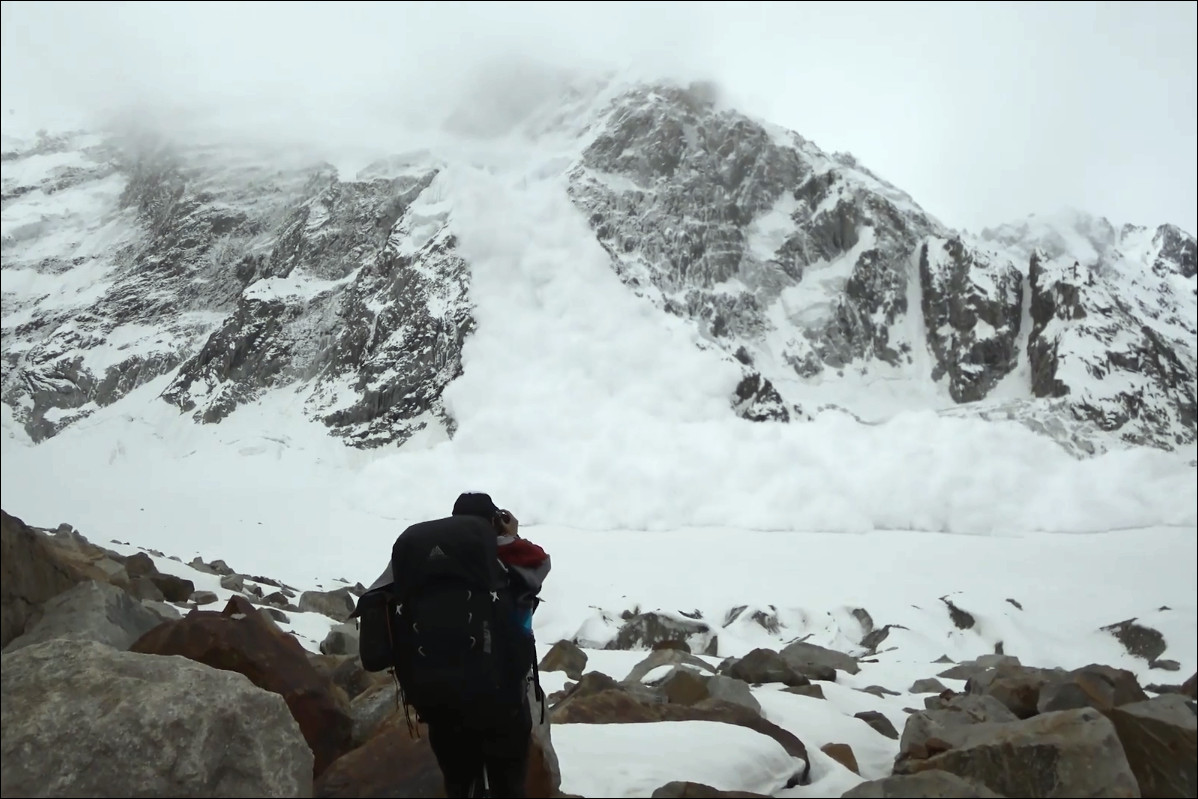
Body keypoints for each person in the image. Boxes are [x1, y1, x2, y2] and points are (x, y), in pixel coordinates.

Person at [420, 492, 551, 798]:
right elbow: (540, 565)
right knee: (508, 786)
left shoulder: (424, 562)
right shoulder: (504, 556)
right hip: (502, 699)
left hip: (441, 700)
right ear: (494, 522)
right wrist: (511, 535)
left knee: (457, 784)